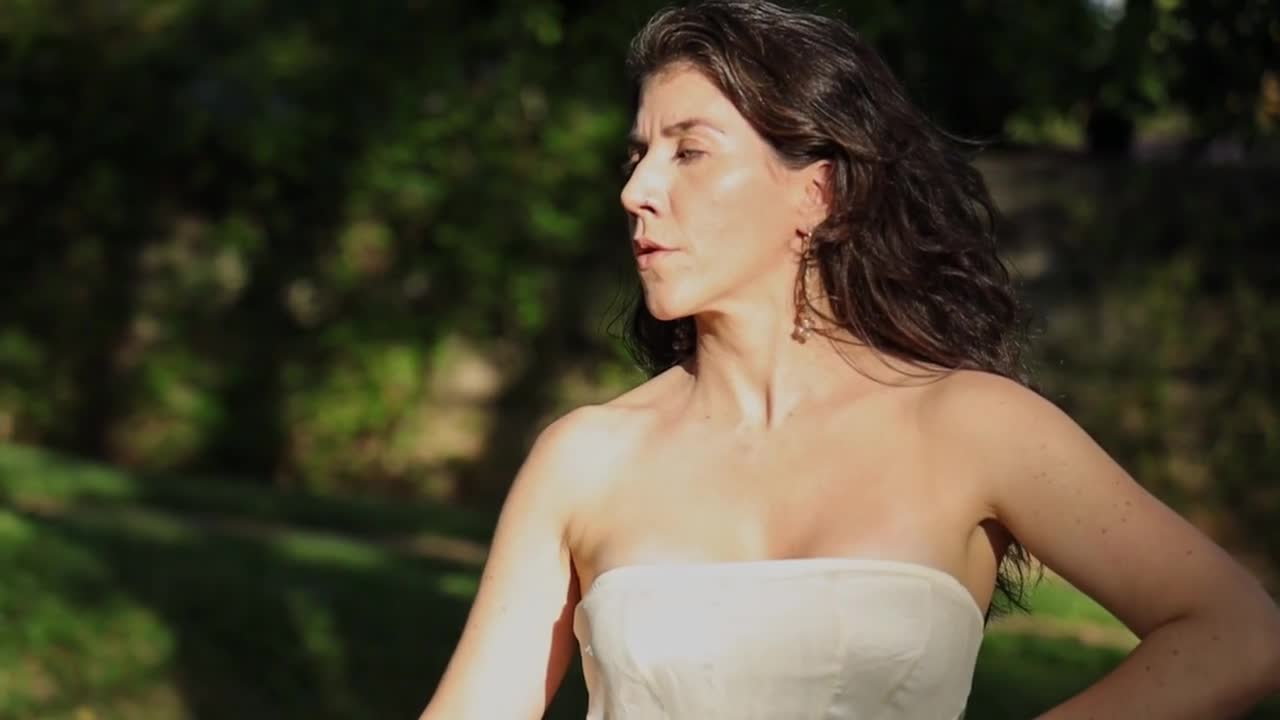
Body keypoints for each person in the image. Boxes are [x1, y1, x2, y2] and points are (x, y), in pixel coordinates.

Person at [420, 1, 1280, 718]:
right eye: (638, 154)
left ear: (816, 191)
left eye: (688, 150)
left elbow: (1238, 630)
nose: (637, 188)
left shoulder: (972, 425)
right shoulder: (586, 458)